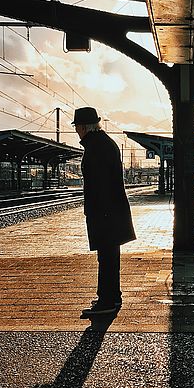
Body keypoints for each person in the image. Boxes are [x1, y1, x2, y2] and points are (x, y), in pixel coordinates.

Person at [73, 107, 136, 315]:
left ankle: (107, 302)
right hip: (110, 211)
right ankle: (111, 297)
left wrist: (98, 212)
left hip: (105, 212)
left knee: (107, 256)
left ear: (83, 127)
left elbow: (99, 184)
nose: (76, 132)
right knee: (109, 255)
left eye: (77, 128)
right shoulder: (102, 143)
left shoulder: (96, 147)